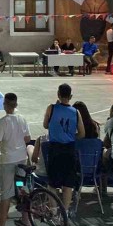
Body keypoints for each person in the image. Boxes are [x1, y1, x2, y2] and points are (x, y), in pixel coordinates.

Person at [0, 93, 31, 226]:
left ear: (5, 105)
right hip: (21, 160)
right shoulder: (22, 119)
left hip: (7, 162)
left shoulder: (2, 122)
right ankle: (25, 219)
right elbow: (27, 138)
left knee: (6, 193)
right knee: (21, 187)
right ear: (16, 105)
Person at [43, 84, 85, 212]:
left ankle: (53, 210)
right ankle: (65, 211)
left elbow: (45, 125)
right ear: (70, 96)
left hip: (55, 149)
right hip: (69, 150)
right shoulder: (76, 112)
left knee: (52, 183)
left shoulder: (51, 108)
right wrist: (70, 136)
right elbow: (82, 133)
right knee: (68, 184)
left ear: (58, 94)